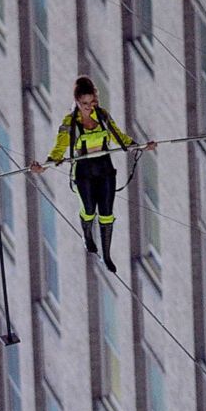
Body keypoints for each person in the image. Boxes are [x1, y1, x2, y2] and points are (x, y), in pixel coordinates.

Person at [31, 75, 156, 273]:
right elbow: (59, 149)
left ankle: (106, 255)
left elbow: (118, 137)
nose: (89, 107)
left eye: (92, 102)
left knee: (106, 213)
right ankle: (87, 233)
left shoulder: (103, 116)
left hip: (105, 169)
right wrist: (44, 165)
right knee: (89, 209)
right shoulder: (70, 123)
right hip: (84, 171)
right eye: (84, 103)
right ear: (77, 102)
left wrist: (140, 146)